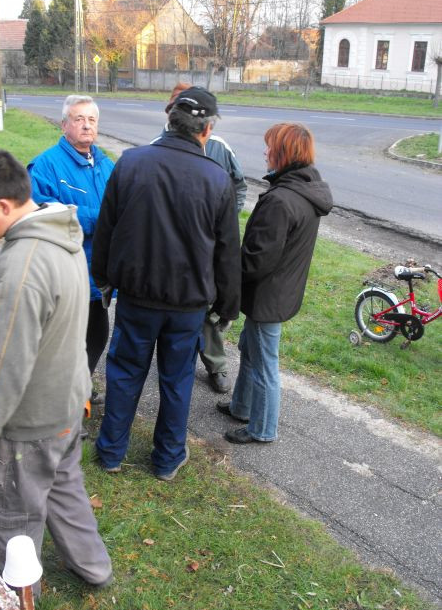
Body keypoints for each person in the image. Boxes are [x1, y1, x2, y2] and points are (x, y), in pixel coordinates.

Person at [0, 149, 112, 591]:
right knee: (65, 492)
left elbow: (3, 366)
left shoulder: (19, 271)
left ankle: (17, 598)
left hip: (28, 423)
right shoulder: (63, 232)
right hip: (65, 407)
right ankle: (94, 568)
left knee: (11, 515)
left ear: (3, 206)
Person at [92, 86, 241, 481]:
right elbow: (227, 251)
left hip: (139, 296)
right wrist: (228, 305)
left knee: (124, 373)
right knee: (176, 381)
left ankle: (111, 452)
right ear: (206, 130)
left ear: (171, 119)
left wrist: (104, 280)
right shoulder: (216, 177)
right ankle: (167, 458)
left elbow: (106, 231)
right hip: (185, 303)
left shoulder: (131, 163)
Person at [217, 123, 333, 444]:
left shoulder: (282, 200)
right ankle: (241, 406)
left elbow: (257, 260)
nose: (265, 151)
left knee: (265, 364)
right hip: (279, 292)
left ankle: (262, 429)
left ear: (283, 153)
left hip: (267, 295)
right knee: (250, 350)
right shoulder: (303, 191)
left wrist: (227, 275)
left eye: (270, 146)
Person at [155, 83, 247, 394]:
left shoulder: (220, 147)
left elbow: (239, 186)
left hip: (209, 246)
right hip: (171, 249)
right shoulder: (156, 148)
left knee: (209, 312)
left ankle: (216, 366)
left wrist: (225, 222)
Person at [28, 95, 114, 392]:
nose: (86, 125)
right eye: (78, 119)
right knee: (62, 341)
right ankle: (60, 397)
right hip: (65, 271)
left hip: (97, 273)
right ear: (64, 125)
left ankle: (80, 387)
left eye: (92, 120)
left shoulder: (106, 164)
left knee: (97, 334)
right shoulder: (45, 165)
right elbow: (41, 212)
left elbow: (122, 207)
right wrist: (99, 219)